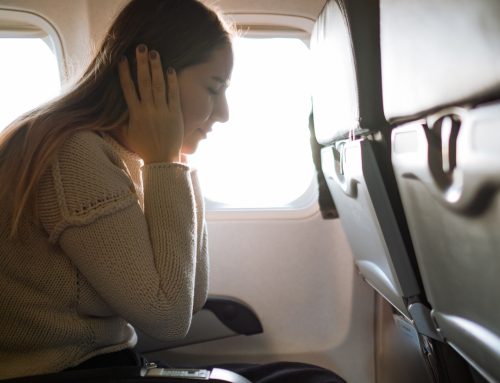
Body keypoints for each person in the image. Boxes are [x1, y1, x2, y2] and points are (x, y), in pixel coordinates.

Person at [0, 1, 345, 382]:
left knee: (305, 376)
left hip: (103, 364)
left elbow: (191, 295)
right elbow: (167, 316)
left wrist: (175, 160)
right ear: (154, 79)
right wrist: (166, 161)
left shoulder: (121, 154)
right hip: (62, 372)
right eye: (214, 88)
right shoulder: (74, 154)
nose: (225, 112)